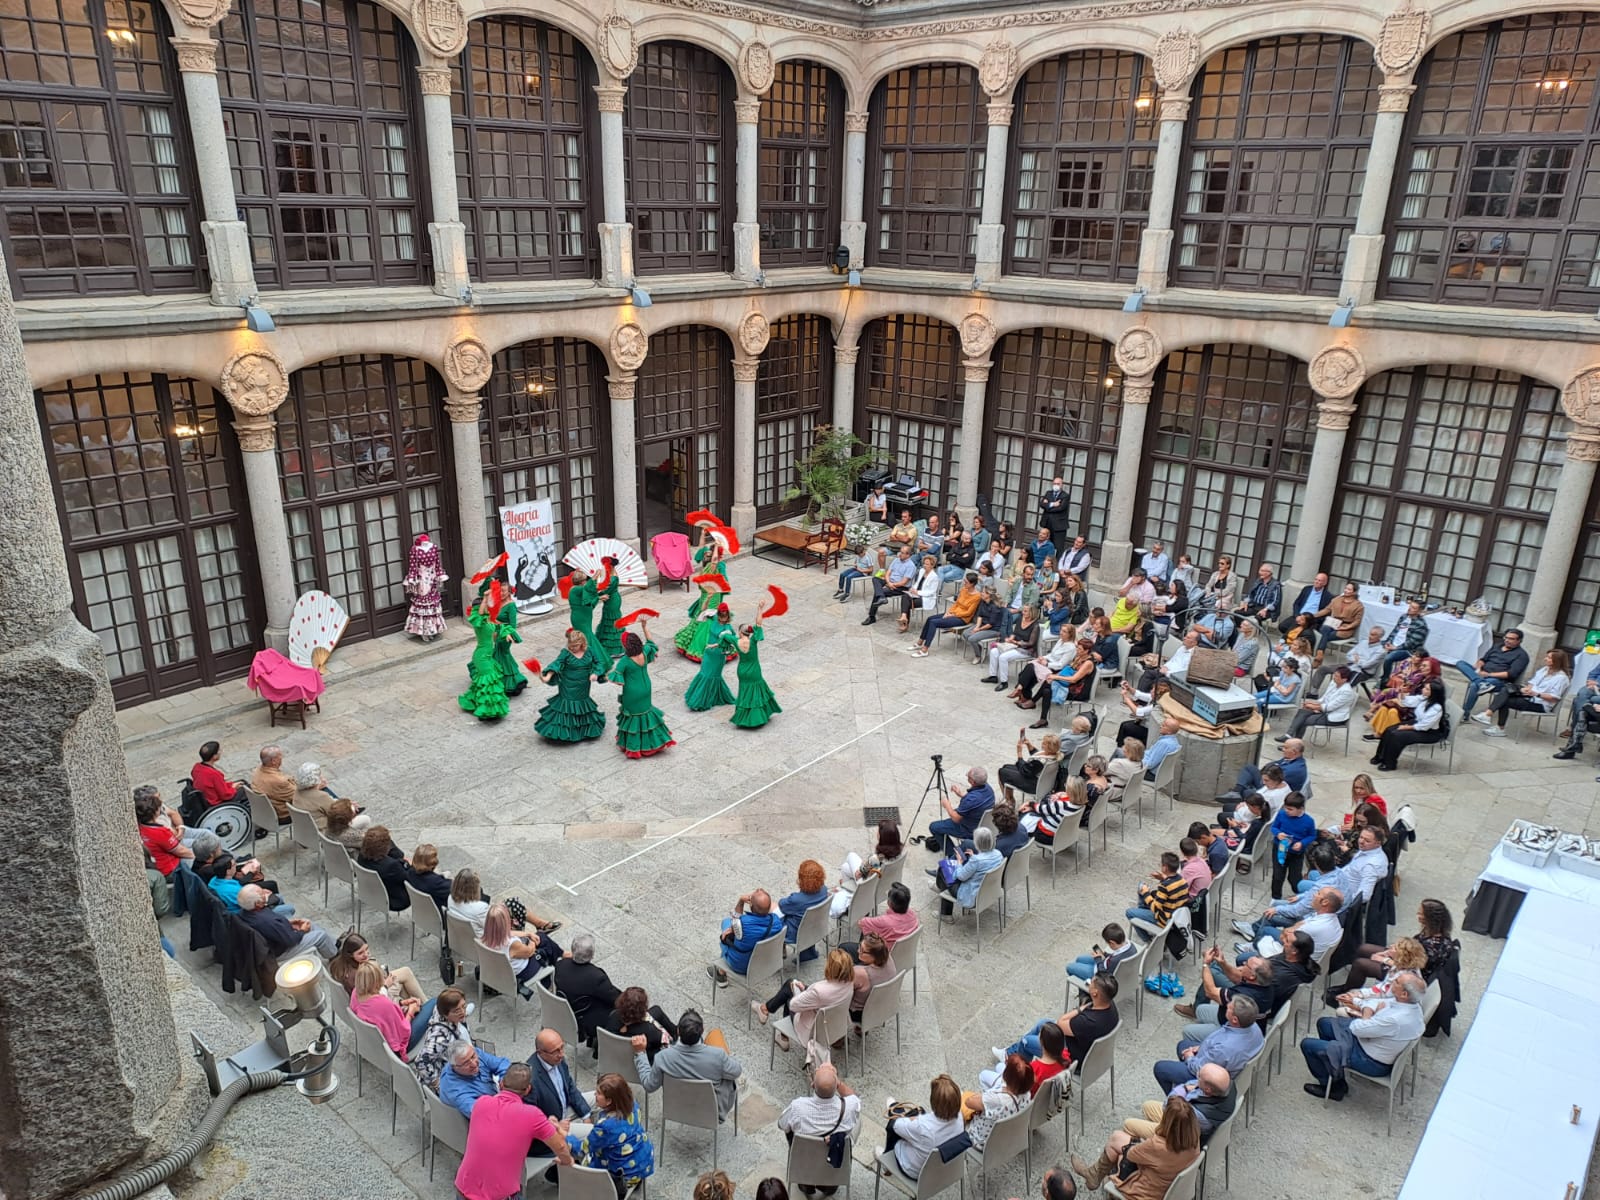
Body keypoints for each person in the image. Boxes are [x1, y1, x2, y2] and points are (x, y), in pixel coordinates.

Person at [1299, 971, 1426, 1100]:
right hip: (1368, 1041)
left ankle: (1333, 1088)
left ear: (1404, 994)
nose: (1393, 981)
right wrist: (1364, 1007)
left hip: (1370, 1060)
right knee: (1324, 1023)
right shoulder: (1410, 1004)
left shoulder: (1396, 1019)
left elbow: (1358, 1028)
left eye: (1397, 982)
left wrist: (1368, 1016)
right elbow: (1375, 1003)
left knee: (1308, 1044)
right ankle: (1334, 1065)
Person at [454, 1062, 573, 1200]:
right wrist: (568, 1160)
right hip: (500, 1195)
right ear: (528, 1089)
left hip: (464, 1187)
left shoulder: (481, 1103)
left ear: (501, 1084)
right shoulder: (532, 1115)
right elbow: (560, 1146)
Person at [1073, 1092, 1201, 1194]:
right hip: (1172, 1187)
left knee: (1116, 1144)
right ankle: (1094, 1176)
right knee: (1119, 1140)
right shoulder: (1195, 1140)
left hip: (1147, 1191)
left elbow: (1131, 1155)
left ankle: (1096, 1177)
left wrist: (1144, 1142)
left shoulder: (1158, 1145)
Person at [632, 1008, 742, 1120]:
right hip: (711, 1113)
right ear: (702, 1030)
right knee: (715, 1034)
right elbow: (736, 1071)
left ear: (678, 1031)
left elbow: (649, 1086)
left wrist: (640, 1053)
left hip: (676, 1107)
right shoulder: (718, 1055)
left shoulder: (663, 1058)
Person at [752, 948, 855, 1061]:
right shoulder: (850, 984)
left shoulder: (819, 990)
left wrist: (796, 989)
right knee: (793, 986)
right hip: (837, 1026)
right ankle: (766, 1010)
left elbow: (794, 1006)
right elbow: (826, 996)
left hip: (813, 1031)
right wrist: (805, 989)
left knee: (789, 989)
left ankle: (771, 1018)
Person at [999, 972, 1121, 1067]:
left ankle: (1016, 1074)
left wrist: (1080, 1009)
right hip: (1085, 1047)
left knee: (1027, 1042)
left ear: (1095, 993)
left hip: (1071, 1057)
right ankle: (1009, 1054)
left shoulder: (1086, 1021)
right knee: (1044, 1023)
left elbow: (1060, 1023)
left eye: (1092, 982)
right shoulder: (1111, 1007)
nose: (1090, 982)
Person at [1338, 898, 1457, 991]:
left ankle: (1346, 992)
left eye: (1421, 914)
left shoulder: (1433, 947)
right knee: (1363, 948)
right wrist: (1390, 951)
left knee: (1361, 964)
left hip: (1409, 974)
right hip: (1406, 957)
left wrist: (1385, 959)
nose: (1417, 915)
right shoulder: (1432, 931)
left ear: (1430, 918)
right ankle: (1353, 980)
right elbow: (1412, 947)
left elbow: (1413, 966)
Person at [779, 1062, 860, 1197]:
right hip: (833, 1170)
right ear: (836, 1088)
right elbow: (855, 1099)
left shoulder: (798, 1107)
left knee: (791, 1129)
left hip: (804, 1166)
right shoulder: (849, 1107)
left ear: (812, 1085)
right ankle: (829, 1187)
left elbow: (782, 1124)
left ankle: (805, 1185)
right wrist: (837, 1082)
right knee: (857, 1122)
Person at [569, 1072, 655, 1198]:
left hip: (622, 1174)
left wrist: (565, 1135)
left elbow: (582, 1149)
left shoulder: (606, 1127)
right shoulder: (632, 1105)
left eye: (598, 1093)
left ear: (609, 1101)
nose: (595, 1095)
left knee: (581, 1161)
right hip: (642, 1161)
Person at [1152, 995, 1262, 1093]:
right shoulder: (1253, 1026)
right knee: (1183, 1045)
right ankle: (1184, 1085)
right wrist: (1202, 1047)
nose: (1227, 1005)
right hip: (1220, 1061)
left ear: (1234, 1019)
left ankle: (1177, 1101)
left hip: (1211, 1080)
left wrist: (1190, 1057)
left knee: (1160, 1068)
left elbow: (1200, 1069)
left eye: (1229, 1008)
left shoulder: (1225, 1048)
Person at [1122, 1064, 1235, 1143]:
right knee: (1147, 1106)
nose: (1197, 1075)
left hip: (1181, 1136)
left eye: (1199, 1076)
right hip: (1185, 1122)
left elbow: (1169, 1104)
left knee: (1128, 1124)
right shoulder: (1227, 1086)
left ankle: (1153, 1145)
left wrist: (1184, 1089)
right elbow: (1194, 1084)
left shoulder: (1199, 1114)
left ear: (1208, 1090)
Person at [610, 622, 675, 758]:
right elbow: (651, 642)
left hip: (632, 692)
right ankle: (653, 743)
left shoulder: (625, 661)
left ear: (625, 646)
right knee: (646, 713)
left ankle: (635, 746)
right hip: (646, 688)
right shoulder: (645, 652)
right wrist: (644, 626)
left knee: (633, 717)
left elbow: (616, 680)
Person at [882, 1075, 964, 1180]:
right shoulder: (961, 1118)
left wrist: (912, 1120)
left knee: (894, 1123)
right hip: (943, 1172)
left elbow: (897, 1126)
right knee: (920, 1111)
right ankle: (896, 1107)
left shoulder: (923, 1127)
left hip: (913, 1170)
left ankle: (886, 1160)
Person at [537, 626, 613, 738]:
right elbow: (556, 663)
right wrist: (548, 676)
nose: (572, 648)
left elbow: (599, 663)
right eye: (570, 646)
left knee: (581, 706)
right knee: (566, 706)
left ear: (582, 643)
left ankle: (581, 731)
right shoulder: (565, 653)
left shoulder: (590, 650)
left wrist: (596, 673)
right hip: (567, 685)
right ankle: (565, 734)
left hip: (583, 685)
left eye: (575, 646)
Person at [1483, 647, 1570, 736]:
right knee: (1506, 689)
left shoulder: (1561, 678)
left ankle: (1495, 722)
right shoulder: (1544, 669)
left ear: (1557, 661)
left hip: (1540, 704)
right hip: (1529, 696)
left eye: (1549, 658)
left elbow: (1554, 698)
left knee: (1504, 700)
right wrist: (1527, 689)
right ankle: (1489, 714)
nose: (1545, 659)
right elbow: (1532, 683)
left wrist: (1536, 694)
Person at [553, 934, 621, 1047]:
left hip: (567, 1009)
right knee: (620, 1009)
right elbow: (614, 998)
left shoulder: (560, 965)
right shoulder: (596, 977)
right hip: (586, 1018)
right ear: (591, 955)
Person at [709, 888, 786, 987]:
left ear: (751, 906)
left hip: (741, 966)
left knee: (726, 923)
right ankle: (721, 972)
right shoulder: (776, 921)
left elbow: (735, 919)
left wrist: (741, 901)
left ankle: (721, 974)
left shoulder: (742, 924)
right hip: (766, 962)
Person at [236, 884, 337, 957]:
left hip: (273, 941)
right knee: (321, 935)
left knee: (307, 922)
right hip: (281, 951)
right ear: (257, 904)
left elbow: (276, 930)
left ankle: (335, 943)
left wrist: (288, 923)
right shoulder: (267, 921)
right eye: (263, 894)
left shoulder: (243, 913)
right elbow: (291, 941)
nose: (266, 893)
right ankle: (334, 954)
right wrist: (302, 931)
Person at [481, 902, 562, 992]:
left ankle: (560, 956)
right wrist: (532, 940)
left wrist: (528, 934)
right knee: (543, 946)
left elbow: (508, 933)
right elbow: (530, 951)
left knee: (542, 938)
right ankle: (548, 984)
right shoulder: (511, 944)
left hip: (500, 971)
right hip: (520, 973)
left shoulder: (487, 937)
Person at [1371, 677, 1448, 771]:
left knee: (1397, 736)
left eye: (1427, 689)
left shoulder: (1436, 708)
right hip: (1418, 723)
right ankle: (1380, 756)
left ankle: (1390, 763)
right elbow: (1410, 701)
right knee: (1389, 730)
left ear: (1434, 693)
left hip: (1429, 732)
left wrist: (1407, 727)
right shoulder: (1424, 698)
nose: (1423, 689)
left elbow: (1425, 726)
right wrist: (1402, 694)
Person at [524, 1029, 591, 1136]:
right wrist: (556, 1126)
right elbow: (530, 1119)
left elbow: (569, 1086)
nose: (561, 1054)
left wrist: (586, 1116)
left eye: (562, 1048)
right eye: (555, 1051)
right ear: (540, 1053)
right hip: (553, 1127)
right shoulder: (531, 1079)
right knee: (593, 1134)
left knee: (599, 1098)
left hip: (564, 1107)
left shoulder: (557, 1059)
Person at [350, 960, 422, 1059]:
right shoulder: (383, 1004)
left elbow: (380, 1015)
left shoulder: (355, 994)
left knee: (407, 996)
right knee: (433, 1003)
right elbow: (404, 1031)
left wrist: (402, 1003)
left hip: (373, 1044)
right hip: (393, 1050)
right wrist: (411, 1012)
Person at [1458, 627, 1531, 721]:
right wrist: (1479, 668)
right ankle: (1480, 682)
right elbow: (1483, 660)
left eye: (1511, 639)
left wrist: (1488, 675)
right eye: (1506, 637)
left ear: (1519, 641)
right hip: (1482, 673)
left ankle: (1465, 714)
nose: (1507, 640)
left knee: (1474, 685)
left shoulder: (1522, 655)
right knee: (1460, 663)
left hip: (1499, 680)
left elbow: (1510, 674)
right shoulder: (1497, 646)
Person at [411, 988, 477, 1092]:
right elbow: (420, 1061)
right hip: (450, 1073)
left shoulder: (442, 1010)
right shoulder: (440, 1038)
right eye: (456, 1011)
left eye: (463, 1007)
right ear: (445, 1014)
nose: (462, 1012)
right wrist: (437, 1084)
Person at [964, 1054, 1032, 1151]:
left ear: (1005, 1075)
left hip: (982, 1141)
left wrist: (985, 1097)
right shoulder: (1027, 1094)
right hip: (1008, 1138)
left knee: (962, 1097)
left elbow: (968, 1102)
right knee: (997, 1067)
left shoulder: (995, 1099)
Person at [934, 826, 1004, 918]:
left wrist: (959, 862)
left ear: (977, 843)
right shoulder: (998, 854)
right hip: (988, 891)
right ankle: (941, 887)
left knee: (944, 869)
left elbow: (961, 876)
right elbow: (984, 862)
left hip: (970, 895)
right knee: (949, 872)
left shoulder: (976, 860)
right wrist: (974, 857)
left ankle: (945, 914)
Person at [1278, 664, 1357, 743]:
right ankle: (1289, 737)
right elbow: (1324, 698)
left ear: (1344, 680)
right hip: (1323, 710)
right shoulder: (1334, 683)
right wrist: (1313, 703)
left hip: (1333, 716)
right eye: (1334, 675)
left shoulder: (1347, 692)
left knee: (1304, 720)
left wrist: (1313, 706)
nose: (1334, 677)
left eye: (1336, 676)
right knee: (1302, 711)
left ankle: (1294, 743)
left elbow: (1329, 707)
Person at [730, 615, 782, 729]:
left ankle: (743, 718)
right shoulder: (753, 641)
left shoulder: (735, 640)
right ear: (749, 633)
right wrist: (760, 608)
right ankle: (756, 718)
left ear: (740, 632)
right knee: (756, 691)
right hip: (754, 670)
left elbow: (724, 637)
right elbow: (758, 624)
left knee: (744, 692)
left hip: (742, 671)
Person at [911, 570, 981, 656]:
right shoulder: (963, 590)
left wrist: (953, 615)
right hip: (953, 613)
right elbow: (956, 604)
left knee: (934, 623)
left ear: (972, 584)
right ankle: (920, 642)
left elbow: (969, 612)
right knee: (930, 619)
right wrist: (948, 612)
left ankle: (925, 649)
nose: (964, 583)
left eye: (966, 582)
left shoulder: (977, 596)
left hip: (962, 618)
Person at [603, 986, 680, 1063]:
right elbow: (665, 1042)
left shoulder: (614, 1015)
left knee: (657, 1011)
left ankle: (675, 1031)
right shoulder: (649, 1030)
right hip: (645, 1059)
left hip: (617, 1053)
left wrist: (628, 1028)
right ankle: (677, 1034)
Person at [1216, 739, 1307, 803]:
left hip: (1273, 788)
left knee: (1247, 792)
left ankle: (1239, 802)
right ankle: (1236, 791)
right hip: (1271, 780)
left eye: (1285, 748)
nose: (1282, 749)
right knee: (1249, 768)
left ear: (1294, 752)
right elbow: (1272, 764)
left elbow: (1274, 781)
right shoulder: (1290, 758)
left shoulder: (1295, 770)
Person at [927, 766, 995, 850]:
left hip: (968, 829)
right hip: (981, 823)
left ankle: (952, 853)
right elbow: (976, 801)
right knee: (954, 813)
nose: (967, 777)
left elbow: (956, 819)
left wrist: (947, 805)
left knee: (934, 827)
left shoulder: (971, 799)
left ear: (973, 782)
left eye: (968, 776)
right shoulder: (988, 789)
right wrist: (960, 794)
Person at [778, 860, 831, 962]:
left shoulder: (796, 900)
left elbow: (782, 905)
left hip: (795, 932)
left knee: (773, 912)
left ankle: (778, 950)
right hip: (816, 927)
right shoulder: (824, 890)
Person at [136, 788, 194, 877]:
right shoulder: (160, 832)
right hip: (172, 869)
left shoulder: (141, 827)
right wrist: (199, 857)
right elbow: (182, 851)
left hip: (157, 866)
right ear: (155, 812)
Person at [1126, 851, 1189, 932]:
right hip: (1174, 914)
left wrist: (1145, 893)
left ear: (1165, 868)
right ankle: (1142, 917)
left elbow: (1155, 908)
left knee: (1129, 912)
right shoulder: (1182, 880)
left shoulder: (1164, 886)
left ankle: (1147, 939)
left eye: (1161, 865)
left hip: (1163, 919)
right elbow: (1172, 890)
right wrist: (1164, 878)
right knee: (1144, 888)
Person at [1267, 794, 1315, 898]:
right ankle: (1275, 899)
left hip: (1296, 854)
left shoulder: (1309, 821)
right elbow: (1274, 827)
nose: (1287, 810)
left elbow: (1312, 835)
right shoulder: (1281, 814)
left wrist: (1302, 843)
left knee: (1295, 878)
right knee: (1278, 876)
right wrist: (1278, 833)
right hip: (1280, 850)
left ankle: (1300, 896)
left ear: (1300, 809)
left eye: (1290, 809)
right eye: (1286, 807)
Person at [983, 603, 1041, 687]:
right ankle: (993, 676)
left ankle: (1004, 682)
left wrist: (1016, 642)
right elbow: (1015, 632)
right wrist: (1011, 638)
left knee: (1003, 657)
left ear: (1032, 613)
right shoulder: (1021, 619)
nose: (1023, 613)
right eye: (1023, 610)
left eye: (1025, 611)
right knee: (994, 651)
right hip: (1014, 645)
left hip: (1025, 649)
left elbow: (1031, 643)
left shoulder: (1035, 625)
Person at [355, 825, 411, 911]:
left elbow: (398, 855)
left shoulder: (361, 856)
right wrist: (406, 864)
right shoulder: (391, 866)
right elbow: (407, 877)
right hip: (394, 900)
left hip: (369, 893)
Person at [856, 881, 920, 954]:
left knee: (846, 947)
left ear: (890, 902)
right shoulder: (913, 915)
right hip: (903, 955)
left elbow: (861, 923)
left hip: (884, 957)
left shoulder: (884, 921)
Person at [1065, 922, 1137, 985]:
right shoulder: (1132, 946)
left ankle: (1088, 990)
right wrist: (1105, 955)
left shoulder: (1114, 960)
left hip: (1101, 976)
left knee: (1069, 967)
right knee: (1079, 959)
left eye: (1108, 943)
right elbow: (1116, 957)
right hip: (1110, 967)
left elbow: (1103, 973)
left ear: (1112, 943)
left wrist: (1098, 960)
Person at [864, 544, 918, 627]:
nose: (900, 554)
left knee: (879, 592)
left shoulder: (911, 566)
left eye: (903, 553)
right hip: (890, 581)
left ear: (908, 555)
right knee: (875, 579)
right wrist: (888, 582)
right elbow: (888, 572)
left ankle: (872, 616)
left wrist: (891, 584)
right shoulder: (896, 560)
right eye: (900, 552)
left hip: (900, 587)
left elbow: (903, 582)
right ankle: (881, 597)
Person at [848, 934, 896, 1024]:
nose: (858, 951)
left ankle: (838, 1035)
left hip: (860, 1013)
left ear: (874, 955)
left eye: (863, 951)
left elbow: (843, 988)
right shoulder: (888, 956)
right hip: (885, 1003)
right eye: (859, 947)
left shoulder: (860, 973)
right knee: (847, 947)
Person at [1000, 731, 1061, 802]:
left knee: (1002, 771)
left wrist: (1019, 753)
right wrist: (1029, 745)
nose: (1042, 744)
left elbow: (1024, 770)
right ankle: (1009, 798)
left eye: (1044, 743)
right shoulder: (1054, 756)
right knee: (1006, 767)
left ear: (1049, 748)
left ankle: (1010, 800)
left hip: (1033, 785)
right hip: (1042, 781)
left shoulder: (1040, 762)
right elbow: (1038, 755)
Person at [250, 744, 295, 825]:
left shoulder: (257, 771)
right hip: (282, 815)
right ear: (273, 761)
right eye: (280, 756)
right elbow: (297, 796)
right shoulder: (279, 781)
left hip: (263, 811)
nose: (282, 757)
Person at [190, 740, 238, 806]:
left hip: (205, 797)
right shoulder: (213, 774)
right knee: (244, 791)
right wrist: (234, 788)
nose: (220, 752)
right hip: (215, 802)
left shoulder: (196, 767)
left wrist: (230, 785)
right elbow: (225, 795)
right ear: (214, 756)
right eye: (218, 751)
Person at [1039, 477, 1070, 547]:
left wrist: (1047, 505)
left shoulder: (1065, 495)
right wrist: (1053, 504)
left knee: (1057, 546)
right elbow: (1041, 504)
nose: (1056, 485)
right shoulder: (1048, 493)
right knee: (1044, 544)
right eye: (1054, 483)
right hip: (1047, 523)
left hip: (1059, 526)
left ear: (1062, 485)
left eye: (1058, 484)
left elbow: (1061, 508)